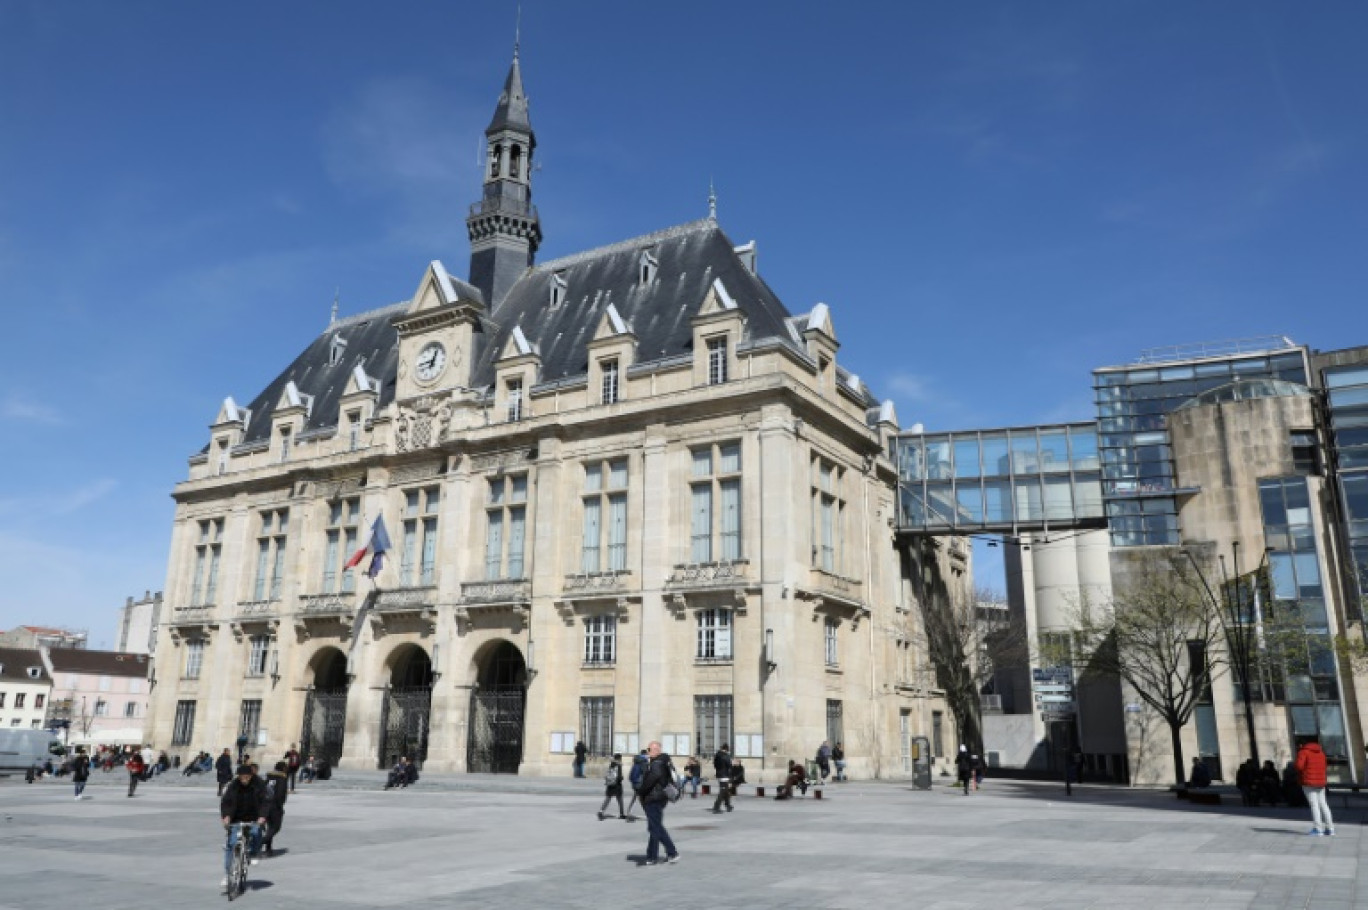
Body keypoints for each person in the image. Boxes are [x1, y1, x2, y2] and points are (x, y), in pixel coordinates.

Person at [220, 764, 267, 892]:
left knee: (257, 832)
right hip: (236, 818)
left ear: (251, 776)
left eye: (246, 777)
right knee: (231, 844)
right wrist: (226, 816)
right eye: (241, 777)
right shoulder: (233, 786)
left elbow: (265, 802)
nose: (244, 780)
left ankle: (253, 853)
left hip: (254, 818)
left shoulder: (259, 785)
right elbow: (226, 802)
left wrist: (262, 817)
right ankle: (228, 874)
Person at [635, 741, 679, 865]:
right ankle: (652, 856)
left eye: (651, 749)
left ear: (656, 750)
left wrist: (641, 792)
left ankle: (672, 852)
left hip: (653, 798)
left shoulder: (657, 764)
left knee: (656, 827)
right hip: (660, 797)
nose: (649, 752)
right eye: (649, 749)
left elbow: (650, 781)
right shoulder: (663, 761)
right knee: (654, 827)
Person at [1295, 737, 1335, 836]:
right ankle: (1330, 828)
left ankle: (1318, 829)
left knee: (1314, 805)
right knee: (1323, 804)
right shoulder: (1321, 753)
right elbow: (1325, 766)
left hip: (1308, 782)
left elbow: (1299, 766)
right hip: (1321, 782)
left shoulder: (1303, 752)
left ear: (1301, 745)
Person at [262, 761, 289, 856]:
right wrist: (279, 806)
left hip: (265, 805)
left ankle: (268, 849)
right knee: (275, 827)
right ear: (283, 769)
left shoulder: (269, 777)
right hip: (274, 806)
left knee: (270, 827)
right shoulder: (282, 778)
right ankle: (260, 842)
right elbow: (281, 794)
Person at [598, 752, 626, 820]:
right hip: (617, 784)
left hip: (610, 784)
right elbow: (619, 776)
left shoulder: (611, 764)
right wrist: (622, 778)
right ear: (619, 758)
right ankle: (621, 814)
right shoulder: (619, 765)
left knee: (608, 798)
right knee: (620, 799)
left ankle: (601, 811)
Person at [624, 750, 650, 819]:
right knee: (642, 799)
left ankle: (628, 812)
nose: (648, 756)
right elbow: (646, 773)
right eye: (647, 754)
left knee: (636, 797)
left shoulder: (636, 761)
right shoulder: (644, 762)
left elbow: (631, 774)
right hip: (640, 783)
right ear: (645, 754)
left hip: (635, 782)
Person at [711, 743, 734, 814]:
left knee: (726, 791)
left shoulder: (717, 755)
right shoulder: (725, 756)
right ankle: (716, 807)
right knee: (723, 791)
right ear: (726, 749)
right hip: (725, 775)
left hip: (719, 774)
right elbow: (729, 766)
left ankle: (728, 805)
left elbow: (714, 765)